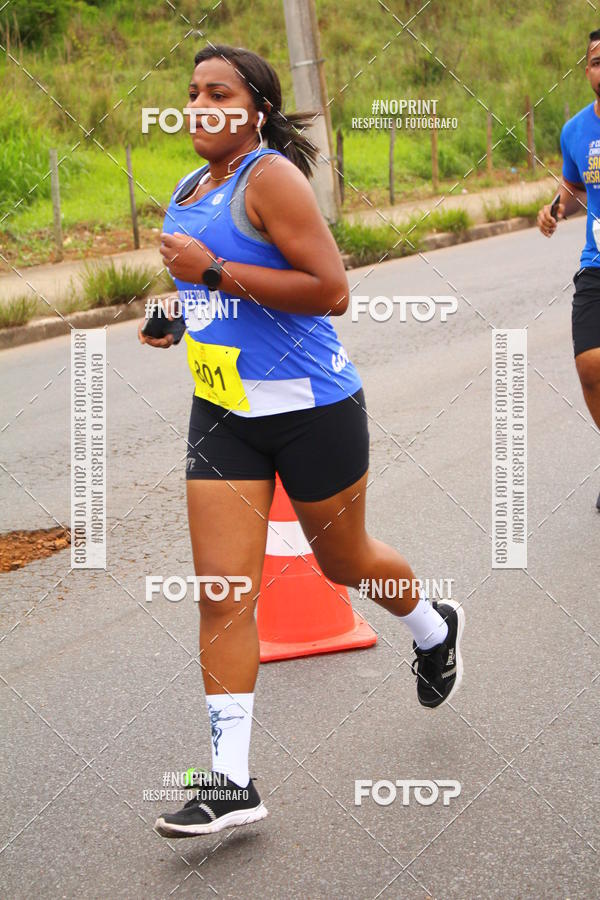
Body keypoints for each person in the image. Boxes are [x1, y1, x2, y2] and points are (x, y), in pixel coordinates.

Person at [139, 44, 465, 838]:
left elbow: (332, 291)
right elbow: (203, 288)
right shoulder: (190, 185)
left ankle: (432, 625)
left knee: (342, 561)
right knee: (222, 592)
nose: (200, 105)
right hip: (222, 412)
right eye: (192, 93)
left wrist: (211, 274)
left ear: (255, 109)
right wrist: (177, 308)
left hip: (312, 408)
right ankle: (230, 781)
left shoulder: (270, 176)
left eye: (219, 93)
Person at [537, 29, 600, 510]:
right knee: (590, 367)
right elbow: (574, 185)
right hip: (596, 263)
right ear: (587, 72)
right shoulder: (576, 129)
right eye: (596, 61)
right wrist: (556, 208)